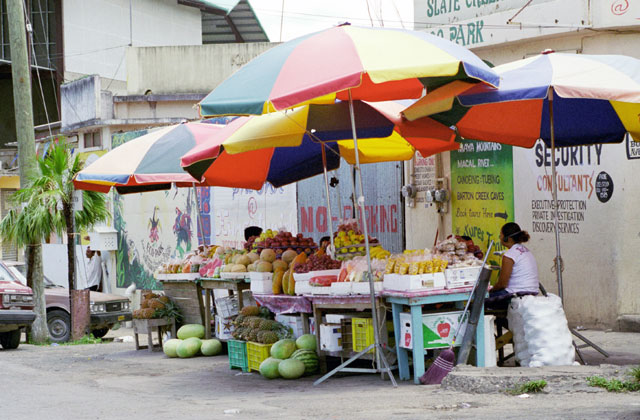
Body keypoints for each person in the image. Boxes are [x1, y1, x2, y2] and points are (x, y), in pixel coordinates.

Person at [489, 222, 539, 302]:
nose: (500, 237)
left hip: (516, 294)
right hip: (532, 292)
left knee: (480, 301)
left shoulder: (510, 255)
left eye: (501, 235)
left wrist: (490, 290)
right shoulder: (526, 251)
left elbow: (502, 284)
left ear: (507, 238)